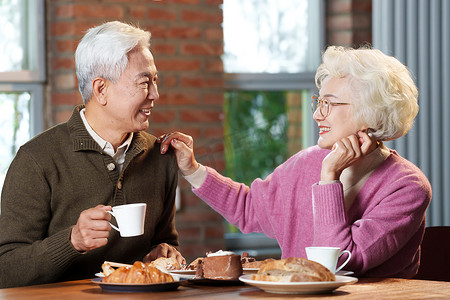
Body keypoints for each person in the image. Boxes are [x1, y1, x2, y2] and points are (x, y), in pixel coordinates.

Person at [159, 46, 432, 278]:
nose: (317, 115)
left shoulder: (407, 187)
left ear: (370, 112)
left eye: (329, 104)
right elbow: (249, 208)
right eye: (318, 102)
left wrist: (330, 178)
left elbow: (339, 264)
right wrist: (192, 170)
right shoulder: (306, 162)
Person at [0, 21, 185, 288]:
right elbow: (6, 269)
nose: (155, 94)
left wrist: (163, 252)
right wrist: (72, 240)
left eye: (155, 80)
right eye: (144, 82)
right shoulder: (36, 160)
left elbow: (164, 242)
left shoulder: (161, 156)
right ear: (101, 90)